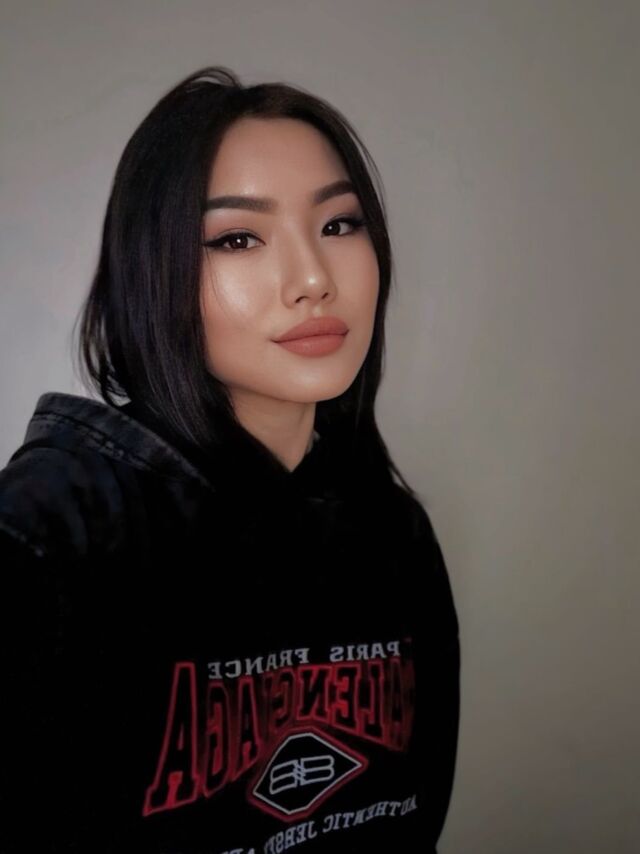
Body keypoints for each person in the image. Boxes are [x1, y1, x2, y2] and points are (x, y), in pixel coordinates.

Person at [0, 66, 460, 854]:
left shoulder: (391, 537)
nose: (313, 280)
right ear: (154, 272)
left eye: (339, 224)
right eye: (238, 238)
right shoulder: (49, 537)